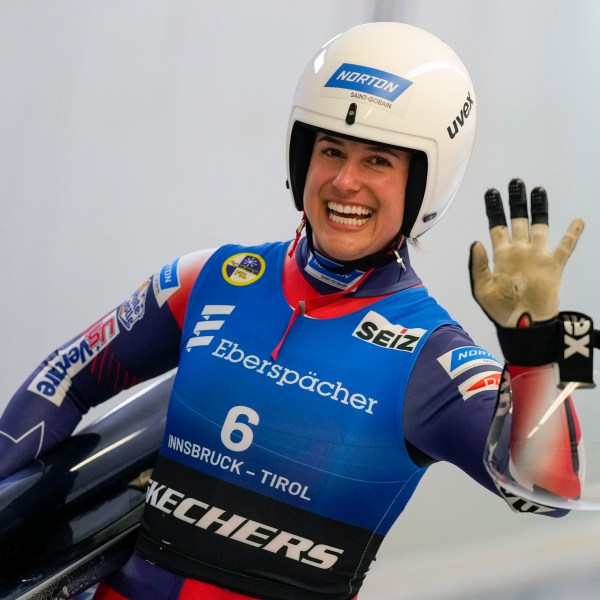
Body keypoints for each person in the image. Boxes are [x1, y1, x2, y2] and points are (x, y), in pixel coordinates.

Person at [0, 21, 587, 600]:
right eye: (331, 150)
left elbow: (548, 492)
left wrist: (537, 347)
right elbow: (66, 378)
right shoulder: (209, 278)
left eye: (379, 160)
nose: (345, 181)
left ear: (424, 185)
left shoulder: (431, 356)